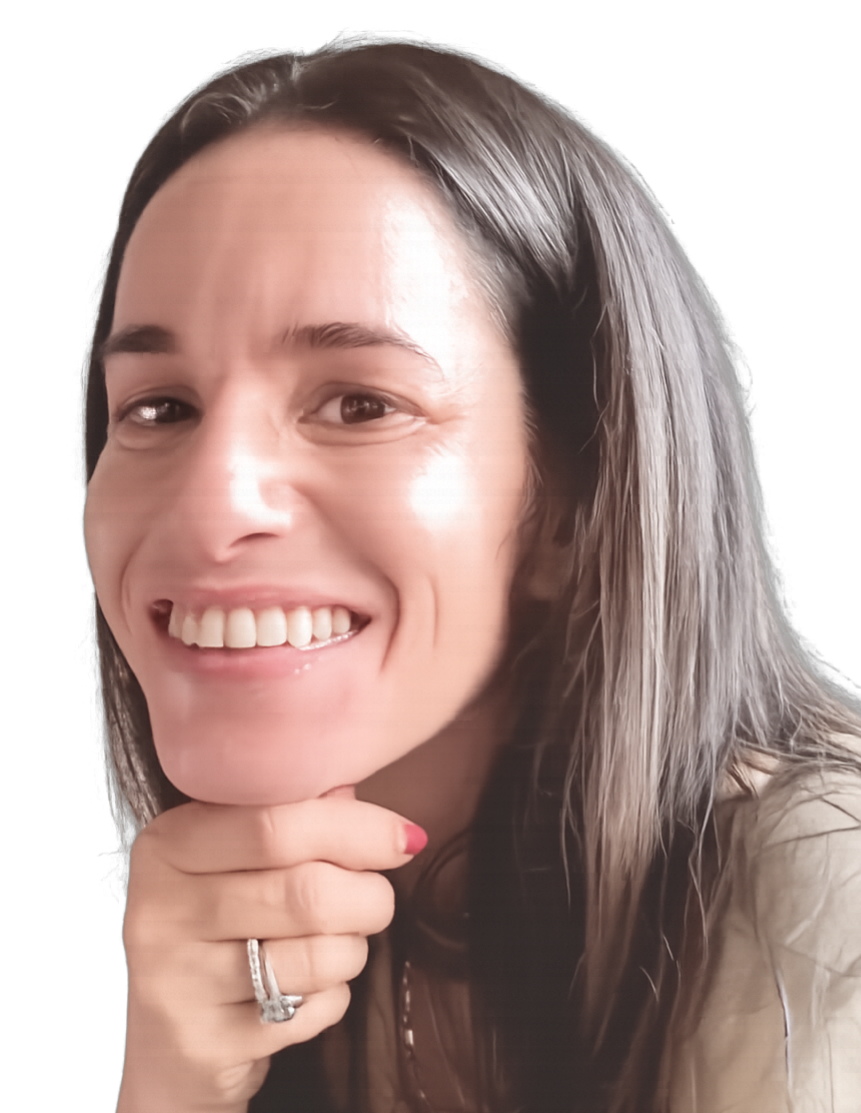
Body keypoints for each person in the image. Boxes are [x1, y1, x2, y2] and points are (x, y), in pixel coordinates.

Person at [84, 42, 861, 1113]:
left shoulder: (836, 913)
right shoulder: (221, 950)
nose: (211, 508)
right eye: (158, 407)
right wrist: (169, 1090)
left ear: (574, 504)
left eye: (360, 403)